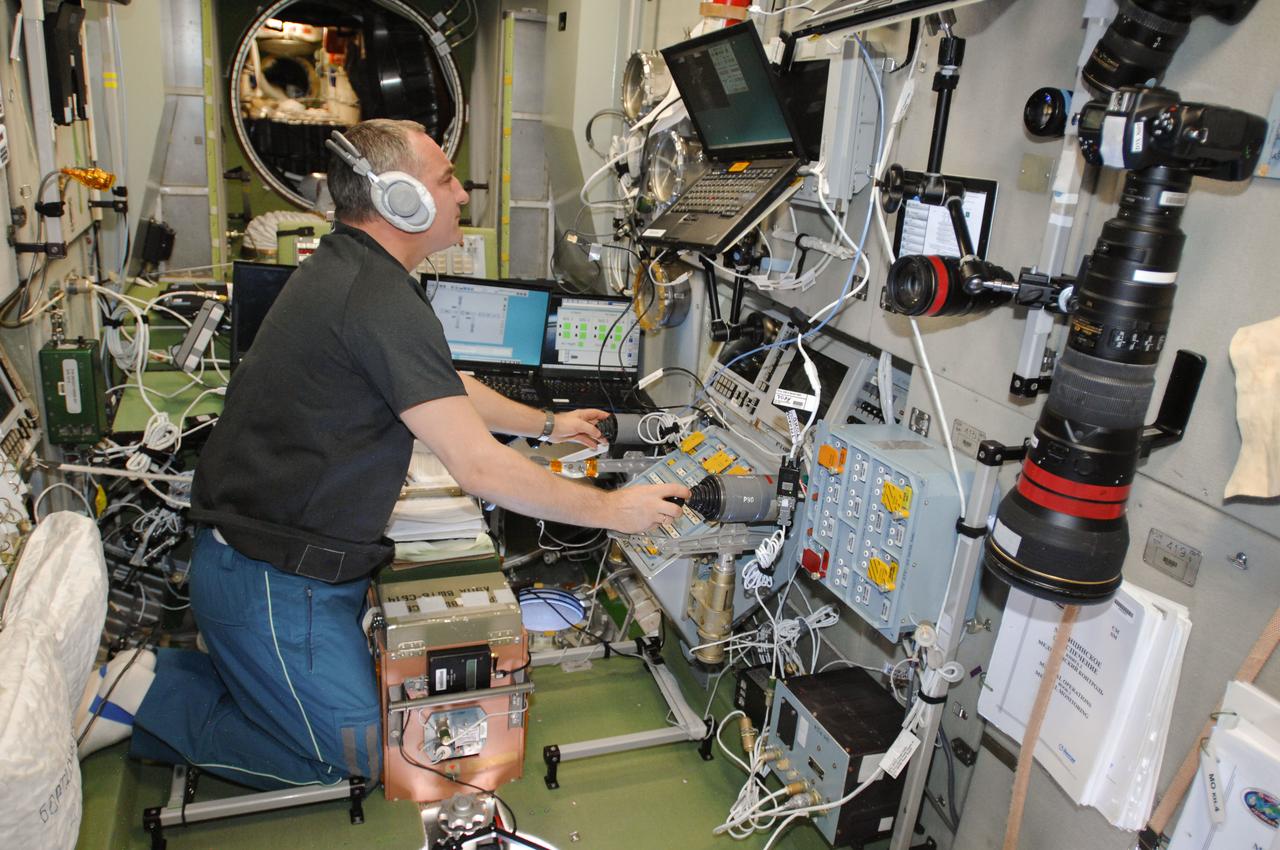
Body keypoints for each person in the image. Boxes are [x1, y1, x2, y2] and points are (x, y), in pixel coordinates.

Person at [74, 119, 689, 789]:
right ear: (402, 201)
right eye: (446, 179)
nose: (460, 193)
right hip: (275, 584)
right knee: (360, 758)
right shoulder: (376, 297)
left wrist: (549, 423)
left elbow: (445, 387)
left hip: (290, 570)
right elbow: (481, 468)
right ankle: (146, 698)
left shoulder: (356, 272)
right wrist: (616, 508)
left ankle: (182, 674)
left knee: (338, 715)